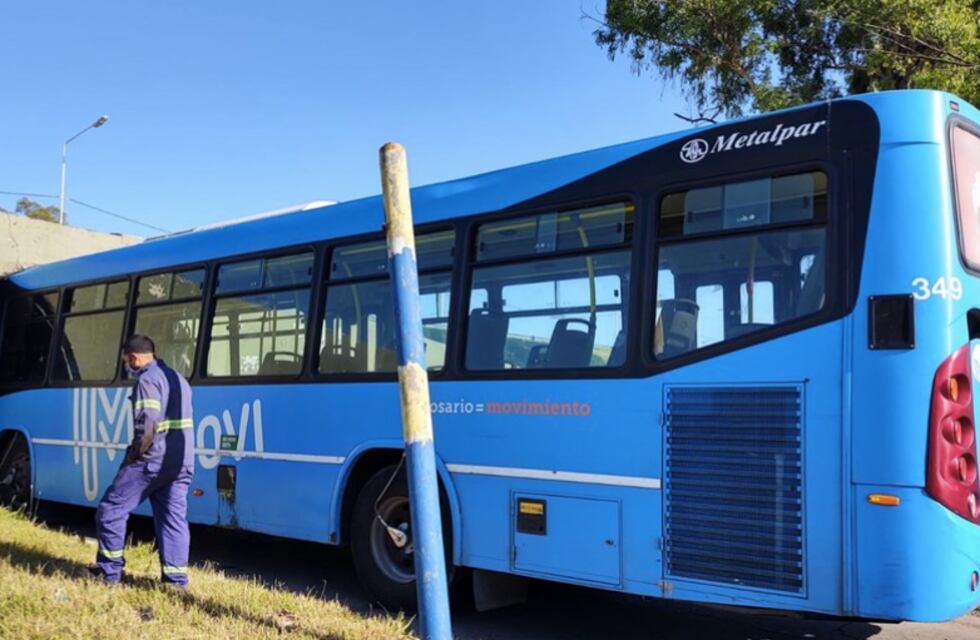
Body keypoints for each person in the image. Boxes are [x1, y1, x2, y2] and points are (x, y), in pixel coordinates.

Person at [92, 335, 195, 587]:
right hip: (181, 463)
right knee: (173, 520)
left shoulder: (147, 380)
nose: (126, 366)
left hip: (151, 461)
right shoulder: (179, 379)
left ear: (134, 358)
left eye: (126, 361)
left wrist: (134, 454)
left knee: (111, 510)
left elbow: (148, 424)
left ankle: (108, 573)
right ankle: (175, 581)